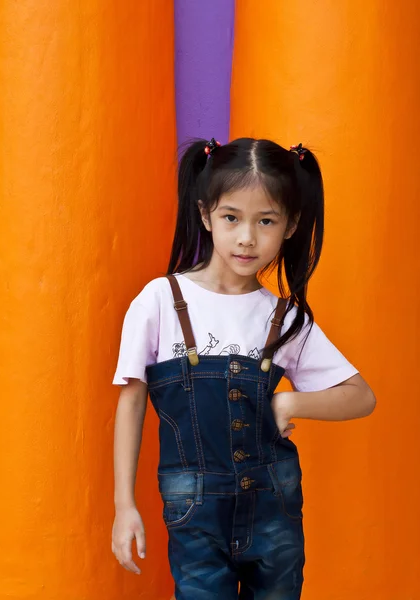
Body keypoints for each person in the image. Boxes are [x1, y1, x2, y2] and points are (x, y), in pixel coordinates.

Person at [111, 137, 376, 599]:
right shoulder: (159, 301)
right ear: (205, 214)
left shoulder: (285, 317)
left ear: (290, 225)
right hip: (193, 513)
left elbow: (361, 396)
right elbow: (131, 401)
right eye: (231, 217)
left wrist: (292, 400)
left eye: (266, 221)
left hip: (274, 512)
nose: (247, 237)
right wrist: (124, 505)